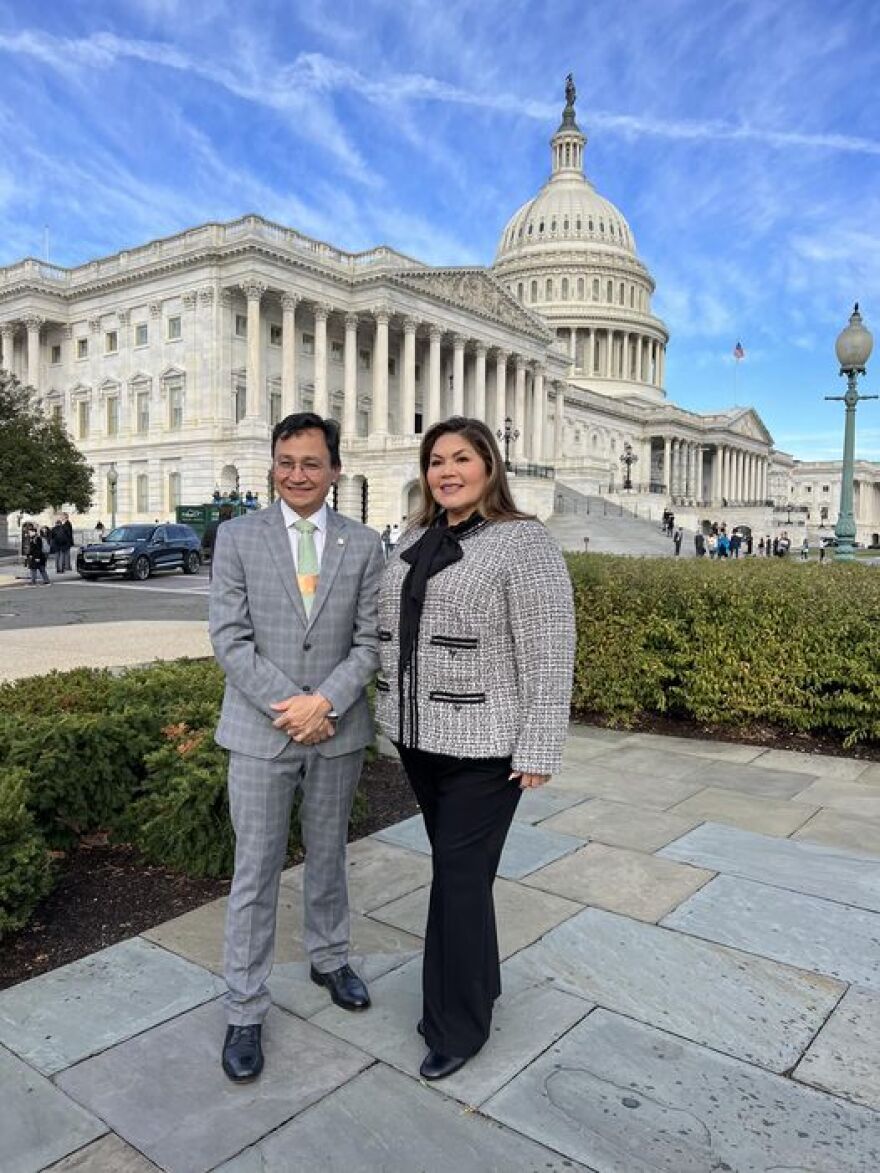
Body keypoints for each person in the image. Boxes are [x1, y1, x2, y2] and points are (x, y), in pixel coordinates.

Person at [375, 417, 575, 1082]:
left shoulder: (523, 541)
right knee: (463, 877)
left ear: (490, 465)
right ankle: (478, 987)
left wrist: (540, 742)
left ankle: (456, 1025)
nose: (447, 470)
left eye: (462, 457)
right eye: (436, 460)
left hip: (487, 746)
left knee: (457, 883)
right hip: (421, 738)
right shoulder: (416, 535)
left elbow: (549, 645)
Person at [209, 412, 385, 1083]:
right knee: (254, 870)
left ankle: (330, 955)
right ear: (272, 465)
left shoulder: (365, 544)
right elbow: (229, 639)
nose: (297, 474)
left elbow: (369, 642)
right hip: (261, 731)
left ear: (335, 468)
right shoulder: (237, 537)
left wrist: (328, 703)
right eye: (286, 461)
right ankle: (245, 1006)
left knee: (329, 856)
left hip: (336, 731)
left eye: (312, 462)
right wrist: (295, 707)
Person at [202, 503, 234, 581]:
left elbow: (204, 545)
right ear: (231, 513)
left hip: (216, 565)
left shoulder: (211, 526)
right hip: (233, 566)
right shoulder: (236, 526)